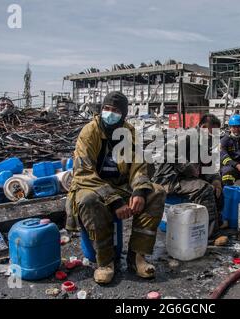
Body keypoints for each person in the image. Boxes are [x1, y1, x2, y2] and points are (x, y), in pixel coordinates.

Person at [65, 91, 166, 284]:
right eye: (106, 109)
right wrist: (116, 201)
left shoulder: (129, 132)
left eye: (116, 110)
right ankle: (105, 262)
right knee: (88, 200)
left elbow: (138, 165)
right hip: (92, 185)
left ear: (124, 114)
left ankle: (137, 257)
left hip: (120, 185)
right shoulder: (90, 131)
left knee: (157, 192)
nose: (110, 113)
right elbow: (84, 172)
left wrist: (139, 191)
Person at [152, 113, 226, 243]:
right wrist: (187, 167)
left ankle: (217, 222)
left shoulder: (204, 144)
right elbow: (168, 151)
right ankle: (211, 236)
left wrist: (216, 180)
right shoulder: (186, 137)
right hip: (169, 180)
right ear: (203, 127)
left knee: (217, 186)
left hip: (186, 180)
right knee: (204, 188)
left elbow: (209, 168)